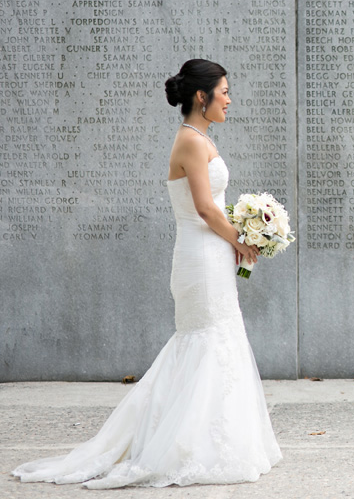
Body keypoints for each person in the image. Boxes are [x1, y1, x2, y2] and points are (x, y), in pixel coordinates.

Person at [12, 59, 281, 488]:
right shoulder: (191, 141)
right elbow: (205, 207)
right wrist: (241, 240)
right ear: (201, 97)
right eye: (224, 91)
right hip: (200, 255)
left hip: (210, 252)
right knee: (205, 340)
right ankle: (185, 444)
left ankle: (217, 438)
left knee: (217, 339)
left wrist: (243, 231)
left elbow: (215, 205)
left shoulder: (198, 138)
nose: (230, 100)